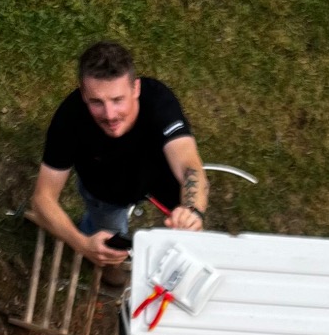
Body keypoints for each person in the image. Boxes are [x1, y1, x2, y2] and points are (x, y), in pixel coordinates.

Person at [32, 40, 208, 280]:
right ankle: (106, 263)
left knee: (187, 227)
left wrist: (191, 211)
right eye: (97, 102)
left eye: (117, 100)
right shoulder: (69, 119)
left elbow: (189, 166)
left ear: (136, 89)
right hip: (106, 193)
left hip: (158, 177)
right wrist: (83, 244)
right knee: (109, 246)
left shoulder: (158, 101)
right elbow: (42, 199)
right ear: (83, 94)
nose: (110, 115)